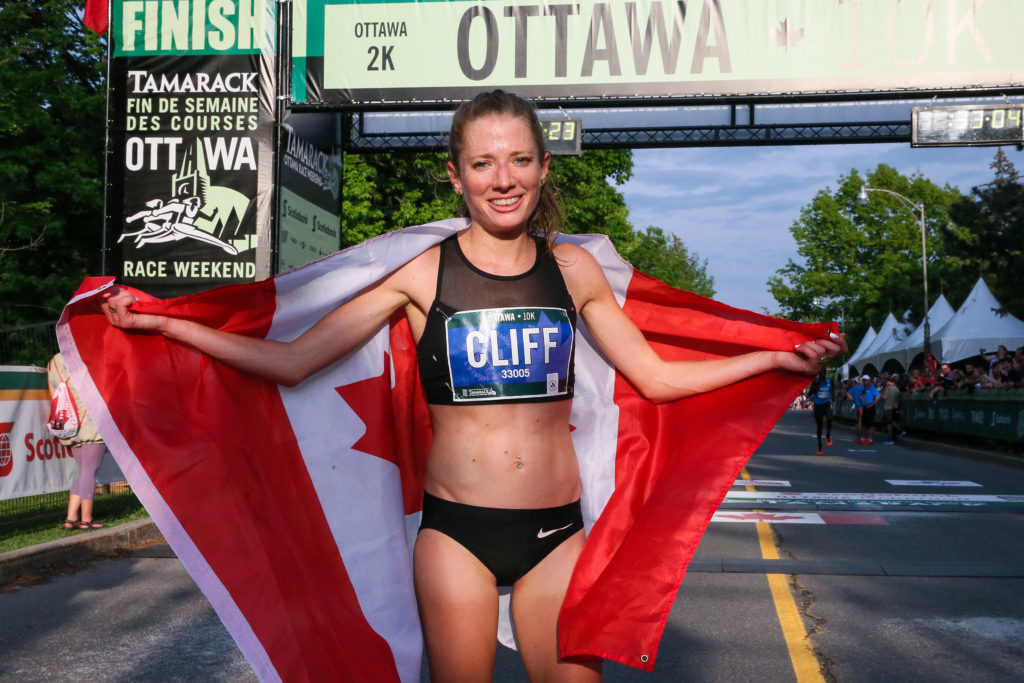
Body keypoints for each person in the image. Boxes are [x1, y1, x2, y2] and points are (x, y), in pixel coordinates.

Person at [100, 90, 845, 681]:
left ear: (544, 167)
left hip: (556, 532)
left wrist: (770, 361)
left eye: (519, 160)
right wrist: (168, 324)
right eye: (483, 164)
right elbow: (294, 360)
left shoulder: (575, 269)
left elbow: (655, 377)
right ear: (456, 176)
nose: (503, 179)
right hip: (457, 535)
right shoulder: (422, 274)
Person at [47, 353, 106, 530]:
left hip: (69, 423)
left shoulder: (52, 362)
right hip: (91, 421)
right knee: (90, 470)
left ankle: (71, 518)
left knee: (84, 471)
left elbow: (53, 394)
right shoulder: (84, 355)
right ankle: (86, 519)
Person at [806, 368, 835, 455]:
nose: (822, 375)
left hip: (827, 403)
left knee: (829, 419)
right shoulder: (816, 381)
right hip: (818, 405)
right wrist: (815, 386)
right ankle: (819, 445)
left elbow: (833, 391)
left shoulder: (830, 381)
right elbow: (810, 394)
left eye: (824, 373)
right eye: (821, 373)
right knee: (819, 426)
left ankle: (828, 435)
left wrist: (833, 399)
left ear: (825, 373)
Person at [848, 374, 881, 445]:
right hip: (864, 408)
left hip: (870, 408)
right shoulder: (862, 388)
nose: (865, 382)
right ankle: (863, 438)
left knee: (870, 424)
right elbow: (861, 398)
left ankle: (870, 439)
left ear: (869, 381)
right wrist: (857, 400)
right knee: (863, 424)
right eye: (864, 380)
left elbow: (878, 396)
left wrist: (871, 404)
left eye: (866, 380)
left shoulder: (872, 388)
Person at [881, 375, 903, 444]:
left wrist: (880, 393)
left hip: (888, 407)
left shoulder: (888, 388)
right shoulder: (896, 388)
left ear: (889, 381)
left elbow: (884, 397)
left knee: (889, 423)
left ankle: (891, 438)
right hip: (894, 408)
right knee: (892, 422)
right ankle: (899, 432)